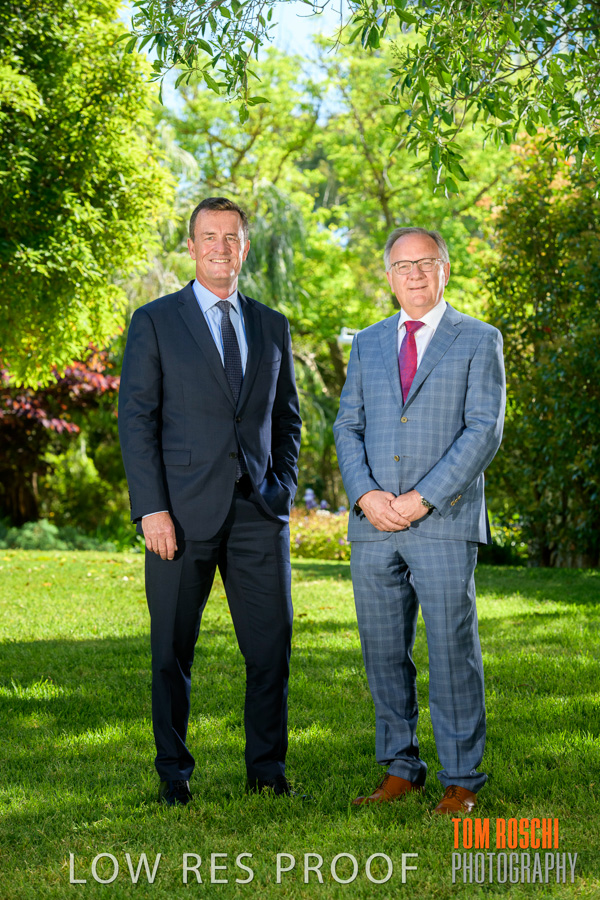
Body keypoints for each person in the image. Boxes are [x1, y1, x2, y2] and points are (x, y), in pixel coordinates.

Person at [119, 197, 302, 805]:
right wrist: (152, 509)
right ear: (191, 246)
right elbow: (137, 420)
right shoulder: (155, 321)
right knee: (171, 652)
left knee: (271, 649)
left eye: (232, 237)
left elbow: (287, 419)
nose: (221, 247)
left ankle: (267, 772)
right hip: (179, 514)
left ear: (244, 247)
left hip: (259, 514)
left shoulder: (272, 325)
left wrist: (281, 487)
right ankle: (174, 774)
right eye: (209, 236)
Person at [333, 226, 505, 814]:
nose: (414, 274)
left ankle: (462, 778)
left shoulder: (479, 339)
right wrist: (365, 495)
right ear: (389, 277)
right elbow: (347, 426)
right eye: (402, 266)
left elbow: (484, 430)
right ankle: (400, 767)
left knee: (452, 649)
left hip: (443, 521)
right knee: (383, 650)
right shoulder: (368, 342)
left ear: (444, 270)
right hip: (374, 524)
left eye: (425, 263)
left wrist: (423, 498)